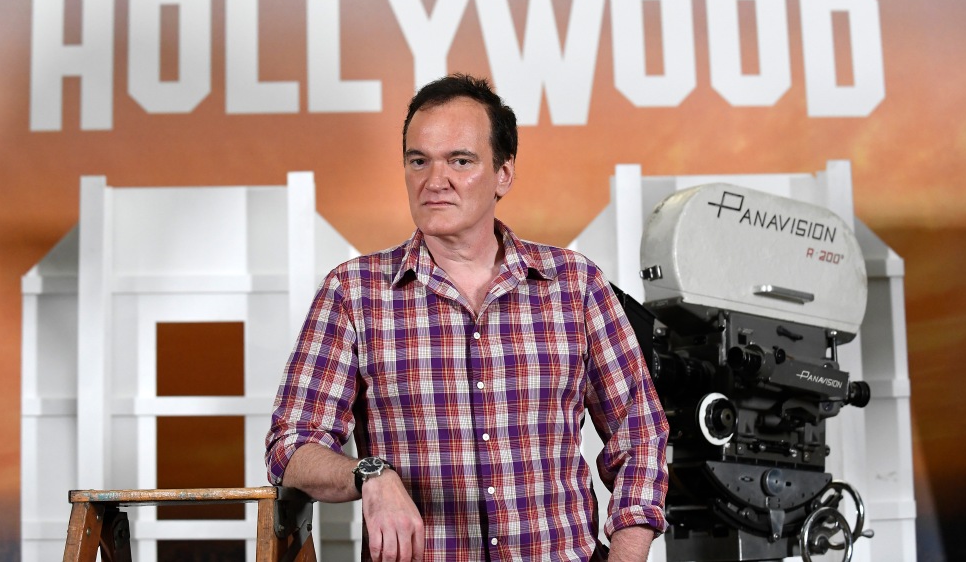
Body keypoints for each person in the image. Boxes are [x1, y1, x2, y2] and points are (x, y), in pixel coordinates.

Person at [266, 74, 668, 562]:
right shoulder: (353, 293)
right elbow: (291, 445)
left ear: (504, 173)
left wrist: (627, 554)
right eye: (419, 161)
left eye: (460, 160)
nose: (435, 182)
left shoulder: (576, 285)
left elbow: (640, 434)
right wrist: (370, 473)